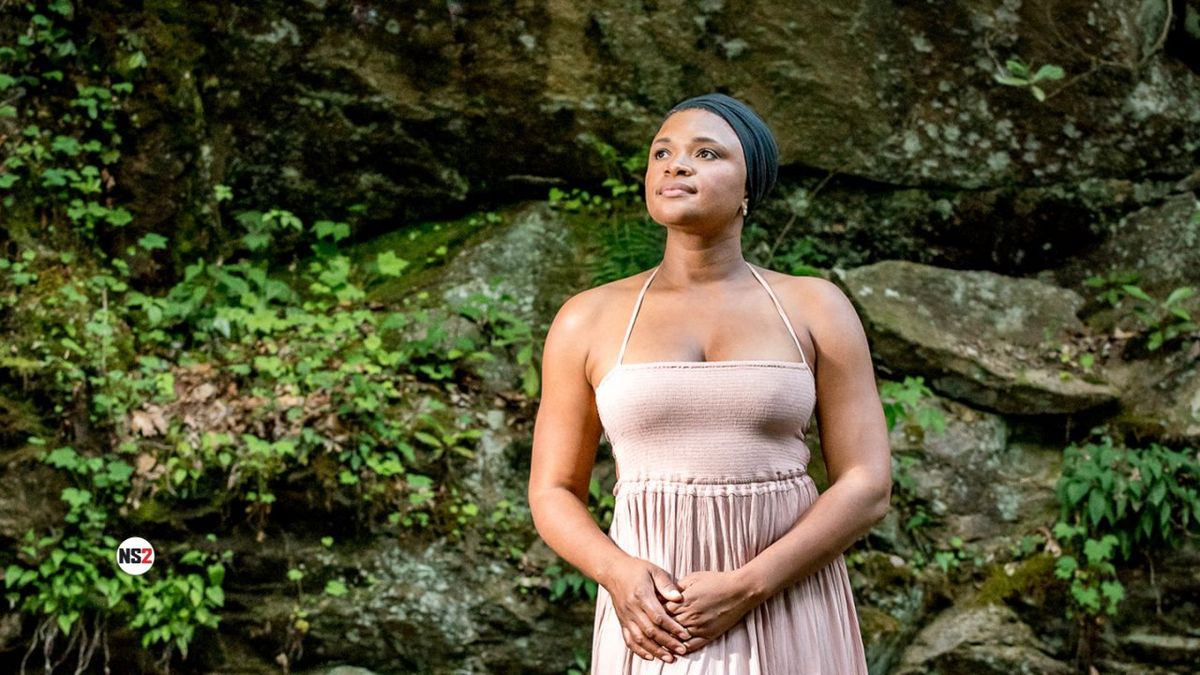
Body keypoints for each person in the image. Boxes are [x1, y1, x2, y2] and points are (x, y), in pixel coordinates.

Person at [528, 92, 891, 673]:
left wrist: (752, 584)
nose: (676, 165)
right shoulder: (586, 318)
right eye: (662, 153)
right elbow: (552, 491)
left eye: (706, 153)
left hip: (787, 592)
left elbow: (867, 484)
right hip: (656, 613)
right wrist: (617, 573)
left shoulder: (815, 307)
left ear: (750, 187)